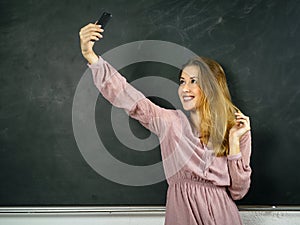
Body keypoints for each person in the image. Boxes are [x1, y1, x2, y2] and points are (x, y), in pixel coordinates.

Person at [79, 23, 252, 225]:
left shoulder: (236, 131)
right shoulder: (170, 122)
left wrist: (233, 143)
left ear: (211, 87)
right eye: (182, 81)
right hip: (183, 213)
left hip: (223, 215)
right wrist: (90, 55)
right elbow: (128, 96)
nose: (184, 89)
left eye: (193, 81)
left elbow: (239, 192)